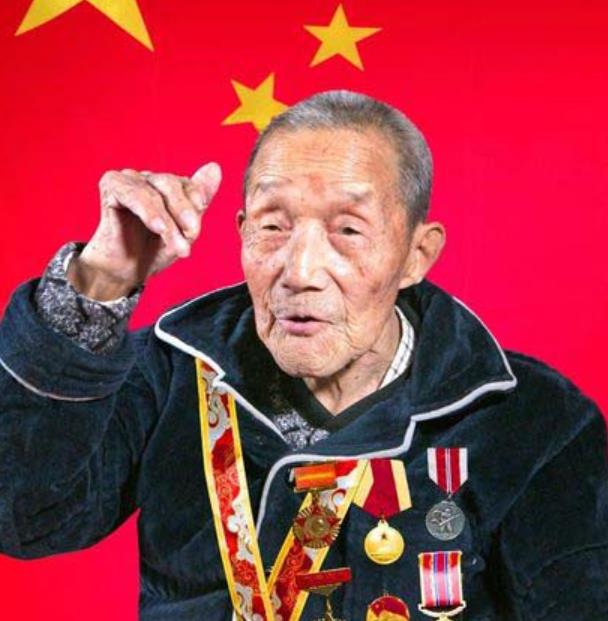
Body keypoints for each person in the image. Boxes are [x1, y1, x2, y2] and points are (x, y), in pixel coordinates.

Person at [0, 90, 606, 621]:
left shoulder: (534, 421)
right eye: (273, 226)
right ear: (240, 232)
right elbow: (25, 518)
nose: (301, 271)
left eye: (348, 230)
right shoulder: (171, 370)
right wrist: (99, 282)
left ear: (416, 256)